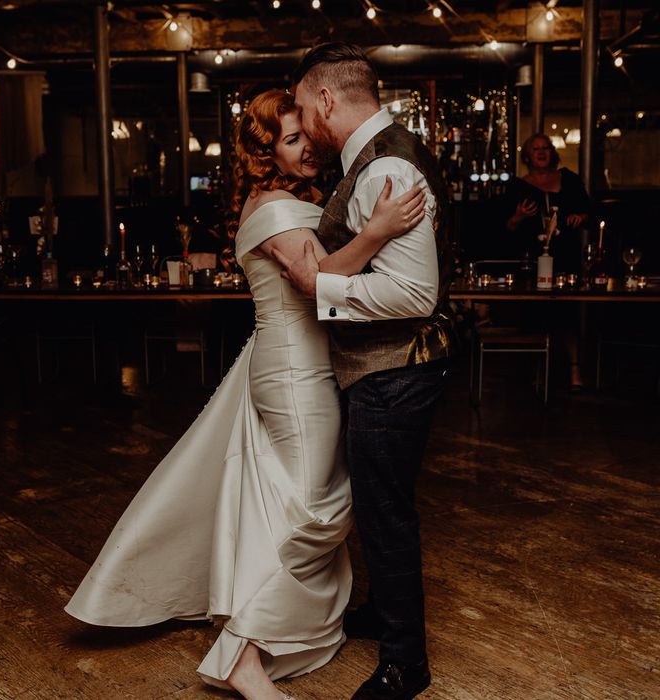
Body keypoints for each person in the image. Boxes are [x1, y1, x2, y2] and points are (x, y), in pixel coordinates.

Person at [65, 88, 427, 700]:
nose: (308, 148)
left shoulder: (292, 201)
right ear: (265, 154)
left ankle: (269, 622)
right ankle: (245, 657)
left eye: (307, 136)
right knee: (315, 510)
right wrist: (380, 229)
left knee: (299, 503)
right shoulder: (275, 211)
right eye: (291, 140)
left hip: (305, 365)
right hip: (294, 372)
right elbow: (319, 282)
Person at [275, 43, 456, 700]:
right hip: (388, 369)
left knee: (384, 512)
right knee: (379, 504)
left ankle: (407, 661)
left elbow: (414, 296)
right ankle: (384, 613)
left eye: (301, 106)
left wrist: (319, 285)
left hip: (396, 369)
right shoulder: (378, 163)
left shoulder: (388, 174)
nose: (301, 119)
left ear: (326, 100)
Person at [505, 133, 593, 391]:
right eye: (536, 149)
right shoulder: (518, 187)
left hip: (565, 257)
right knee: (535, 315)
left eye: (545, 148)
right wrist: (519, 216)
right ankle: (537, 372)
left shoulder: (569, 180)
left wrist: (579, 216)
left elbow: (588, 212)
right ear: (527, 155)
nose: (541, 152)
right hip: (532, 259)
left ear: (551, 153)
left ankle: (574, 371)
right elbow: (507, 227)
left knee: (567, 315)